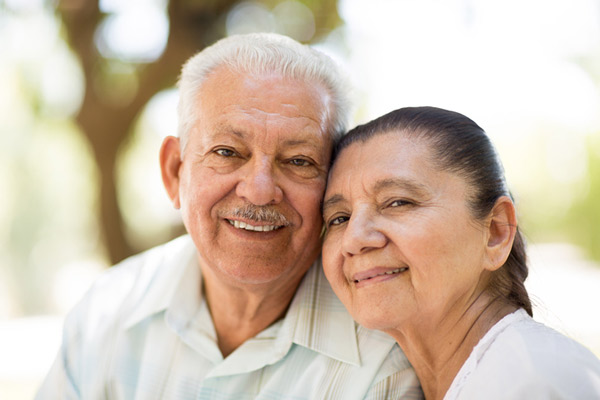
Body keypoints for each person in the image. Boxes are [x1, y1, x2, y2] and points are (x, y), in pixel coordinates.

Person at [35, 34, 423, 399]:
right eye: (227, 152)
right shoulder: (104, 314)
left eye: (298, 161)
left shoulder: (383, 363)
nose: (259, 190)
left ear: (333, 189)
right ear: (174, 171)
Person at [321, 106, 600, 399]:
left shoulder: (533, 384)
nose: (354, 239)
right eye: (339, 218)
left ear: (495, 232)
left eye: (398, 202)